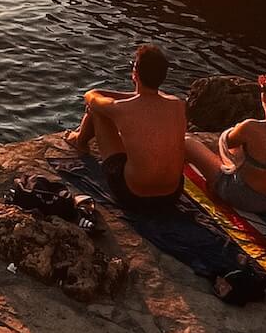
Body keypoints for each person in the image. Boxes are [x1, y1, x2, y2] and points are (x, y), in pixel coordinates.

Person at [69, 42, 186, 211]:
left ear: (135, 73)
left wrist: (116, 97)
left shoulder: (121, 108)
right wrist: (131, 96)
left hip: (133, 196)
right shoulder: (178, 105)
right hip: (172, 196)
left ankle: (79, 141)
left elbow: (91, 96)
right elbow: (149, 99)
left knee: (97, 111)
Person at [186, 67, 266, 215]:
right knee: (247, 151)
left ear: (264, 97)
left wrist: (237, 128)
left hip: (245, 198)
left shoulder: (251, 128)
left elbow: (226, 143)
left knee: (187, 143)